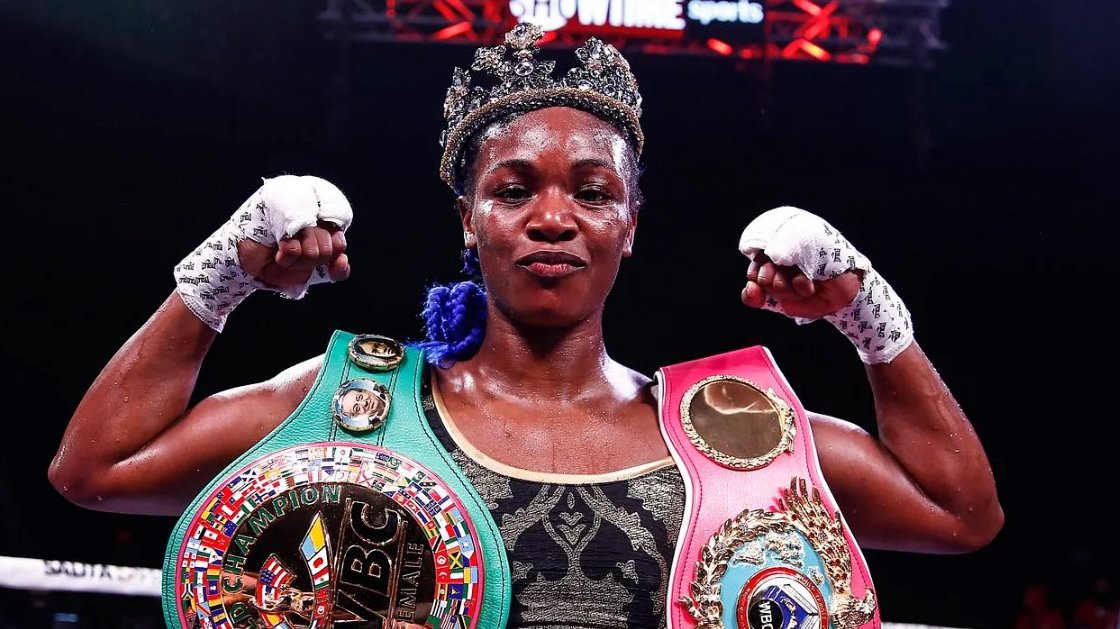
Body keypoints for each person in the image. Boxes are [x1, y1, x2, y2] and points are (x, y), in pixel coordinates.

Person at [48, 23, 1003, 629]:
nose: (553, 217)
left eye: (592, 191)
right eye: (513, 190)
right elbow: (95, 468)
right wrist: (221, 276)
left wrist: (868, 315)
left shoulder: (727, 434)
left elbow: (963, 513)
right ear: (469, 220)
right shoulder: (352, 408)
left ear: (630, 225)